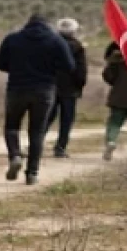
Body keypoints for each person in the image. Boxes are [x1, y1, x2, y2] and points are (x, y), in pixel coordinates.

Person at [0, 14, 75, 185]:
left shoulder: (13, 38)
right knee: (37, 131)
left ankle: (15, 155)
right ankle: (32, 173)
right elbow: (69, 66)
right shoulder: (56, 40)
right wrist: (51, 71)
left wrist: (16, 69)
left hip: (17, 88)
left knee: (12, 126)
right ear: (48, 25)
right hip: (44, 90)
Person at [46, 17, 87, 158]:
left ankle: (36, 143)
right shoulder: (78, 47)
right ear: (74, 31)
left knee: (46, 117)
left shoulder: (50, 44)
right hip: (70, 89)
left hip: (50, 86)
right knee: (66, 119)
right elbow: (81, 70)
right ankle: (60, 148)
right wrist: (80, 85)